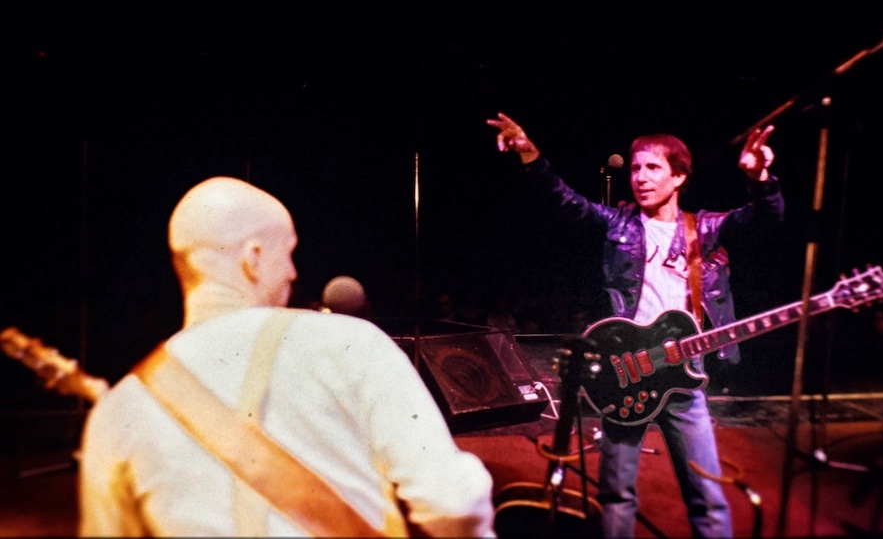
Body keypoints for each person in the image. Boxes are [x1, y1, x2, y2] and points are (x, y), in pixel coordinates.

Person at [77, 176, 495, 537]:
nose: (294, 274)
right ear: (253, 258)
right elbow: (452, 503)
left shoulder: (120, 408)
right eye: (288, 252)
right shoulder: (352, 345)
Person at [486, 112, 783, 538]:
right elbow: (563, 200)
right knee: (617, 494)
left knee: (708, 498)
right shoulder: (619, 225)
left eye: (653, 167)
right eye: (637, 168)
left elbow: (766, 220)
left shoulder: (706, 229)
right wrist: (531, 155)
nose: (640, 177)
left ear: (679, 177)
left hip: (683, 379)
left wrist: (761, 178)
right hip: (627, 374)